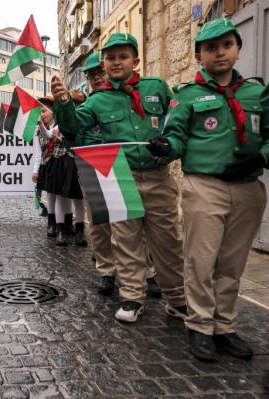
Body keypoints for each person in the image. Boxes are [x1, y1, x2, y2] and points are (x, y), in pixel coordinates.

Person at [148, 18, 269, 362]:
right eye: (211, 48)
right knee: (201, 261)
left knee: (232, 264)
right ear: (199, 55)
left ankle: (224, 325)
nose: (220, 53)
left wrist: (261, 156)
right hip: (204, 187)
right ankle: (199, 326)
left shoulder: (258, 93)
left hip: (248, 189)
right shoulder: (186, 96)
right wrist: (163, 147)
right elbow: (175, 137)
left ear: (238, 49)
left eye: (227, 45)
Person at [52, 33, 186, 322]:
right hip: (119, 176)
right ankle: (132, 298)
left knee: (168, 241)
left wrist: (171, 147)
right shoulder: (98, 100)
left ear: (135, 61)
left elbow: (178, 121)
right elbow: (73, 125)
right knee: (126, 241)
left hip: (158, 176)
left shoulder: (157, 87)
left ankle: (177, 298)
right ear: (104, 63)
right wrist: (63, 103)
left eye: (122, 56)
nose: (115, 62)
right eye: (110, 58)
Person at [79, 52, 161, 297]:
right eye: (91, 75)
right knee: (99, 224)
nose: (97, 78)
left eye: (99, 72)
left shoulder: (129, 97)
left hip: (123, 165)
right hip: (94, 164)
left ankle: (147, 271)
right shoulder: (84, 104)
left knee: (134, 221)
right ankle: (107, 271)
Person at [36, 95, 86, 246]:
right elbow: (48, 135)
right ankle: (60, 230)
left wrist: (63, 140)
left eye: (77, 105)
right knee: (60, 197)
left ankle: (80, 231)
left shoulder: (83, 122)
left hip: (77, 162)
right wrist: (41, 126)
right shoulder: (59, 125)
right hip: (62, 164)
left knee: (79, 198)